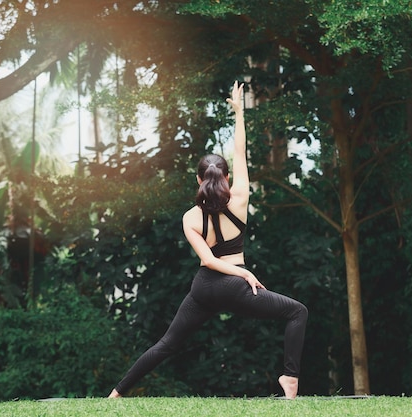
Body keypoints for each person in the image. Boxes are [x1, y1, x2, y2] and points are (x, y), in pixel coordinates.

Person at [108, 81, 308, 400]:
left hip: (204, 289)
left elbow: (206, 261)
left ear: (198, 179)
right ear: (226, 177)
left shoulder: (190, 216)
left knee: (167, 344)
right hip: (234, 287)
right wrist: (239, 114)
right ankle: (290, 380)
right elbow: (240, 151)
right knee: (297, 312)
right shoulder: (240, 197)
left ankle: (116, 394)